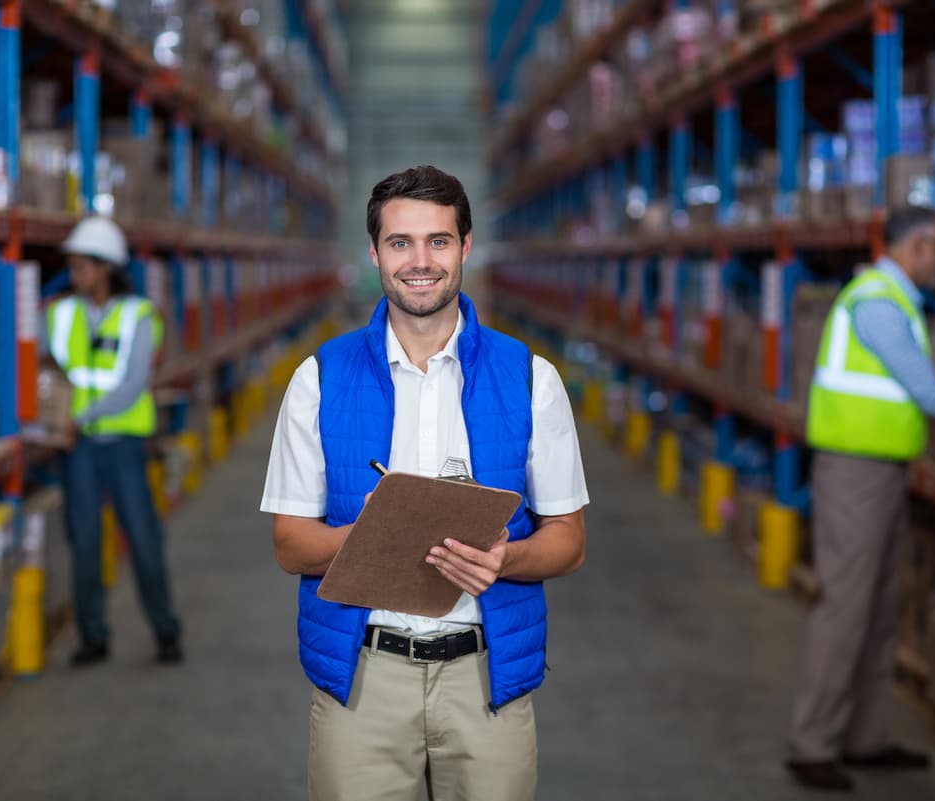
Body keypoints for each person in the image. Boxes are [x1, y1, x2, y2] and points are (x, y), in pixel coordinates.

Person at [261, 166, 589, 801]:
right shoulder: (319, 380)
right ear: (375, 253)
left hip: (487, 680)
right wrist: (375, 535)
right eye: (400, 242)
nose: (420, 261)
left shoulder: (530, 379)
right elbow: (289, 544)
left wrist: (506, 558)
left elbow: (570, 542)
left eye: (438, 241)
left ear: (465, 247)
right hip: (363, 680)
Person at [787, 205, 935, 791]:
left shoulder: (894, 298)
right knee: (847, 607)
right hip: (854, 472)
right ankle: (812, 744)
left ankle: (865, 736)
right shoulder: (877, 301)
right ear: (915, 247)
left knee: (879, 610)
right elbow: (926, 391)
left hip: (881, 472)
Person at [45, 216, 183, 667]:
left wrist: (78, 417)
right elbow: (48, 373)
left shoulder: (138, 315)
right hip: (79, 448)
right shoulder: (61, 313)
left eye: (82, 266)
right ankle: (93, 638)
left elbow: (132, 385)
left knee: (143, 540)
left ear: (105, 267)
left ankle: (166, 632)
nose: (75, 274)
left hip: (123, 443)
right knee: (83, 542)